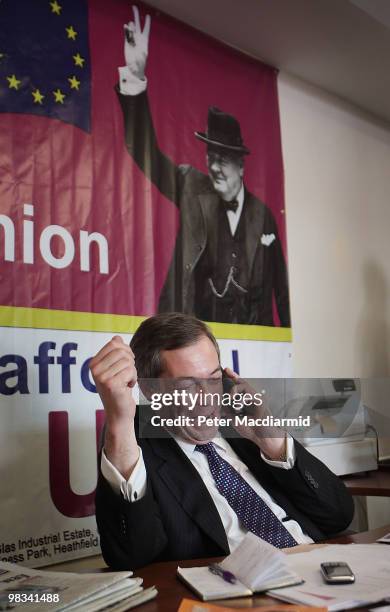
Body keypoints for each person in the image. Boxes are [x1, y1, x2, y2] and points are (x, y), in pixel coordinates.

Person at [91, 312, 354, 570]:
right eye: (187, 386)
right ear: (150, 389)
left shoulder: (244, 427)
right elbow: (131, 556)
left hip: (318, 567)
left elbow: (339, 515)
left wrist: (272, 441)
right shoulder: (134, 449)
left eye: (214, 379)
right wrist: (119, 420)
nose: (207, 398)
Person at [117, 6, 290, 326]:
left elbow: (281, 290)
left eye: (223, 159)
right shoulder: (190, 184)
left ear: (242, 166)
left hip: (251, 347)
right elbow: (147, 154)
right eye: (210, 158)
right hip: (194, 342)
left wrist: (283, 345)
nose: (214, 167)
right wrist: (136, 78)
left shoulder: (264, 215)